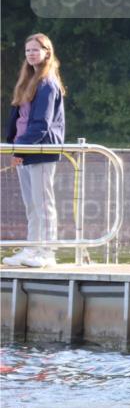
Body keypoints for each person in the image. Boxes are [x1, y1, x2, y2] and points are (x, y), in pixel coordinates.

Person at [3, 33, 66, 268]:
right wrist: (15, 147)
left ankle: (47, 252)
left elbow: (41, 124)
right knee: (31, 204)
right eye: (28, 50)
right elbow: (19, 118)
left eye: (35, 50)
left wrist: (20, 150)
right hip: (23, 149)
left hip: (40, 150)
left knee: (43, 203)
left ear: (47, 52)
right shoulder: (27, 80)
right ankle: (31, 248)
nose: (31, 54)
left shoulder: (48, 83)